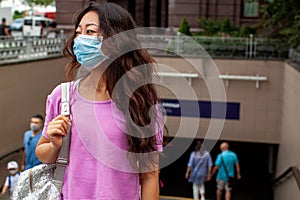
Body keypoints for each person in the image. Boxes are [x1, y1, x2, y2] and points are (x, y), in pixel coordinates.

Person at [36, 2, 164, 199]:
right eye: (78, 32)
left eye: (90, 31)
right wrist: (54, 145)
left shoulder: (141, 101)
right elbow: (43, 154)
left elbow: (150, 176)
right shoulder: (62, 96)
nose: (79, 39)